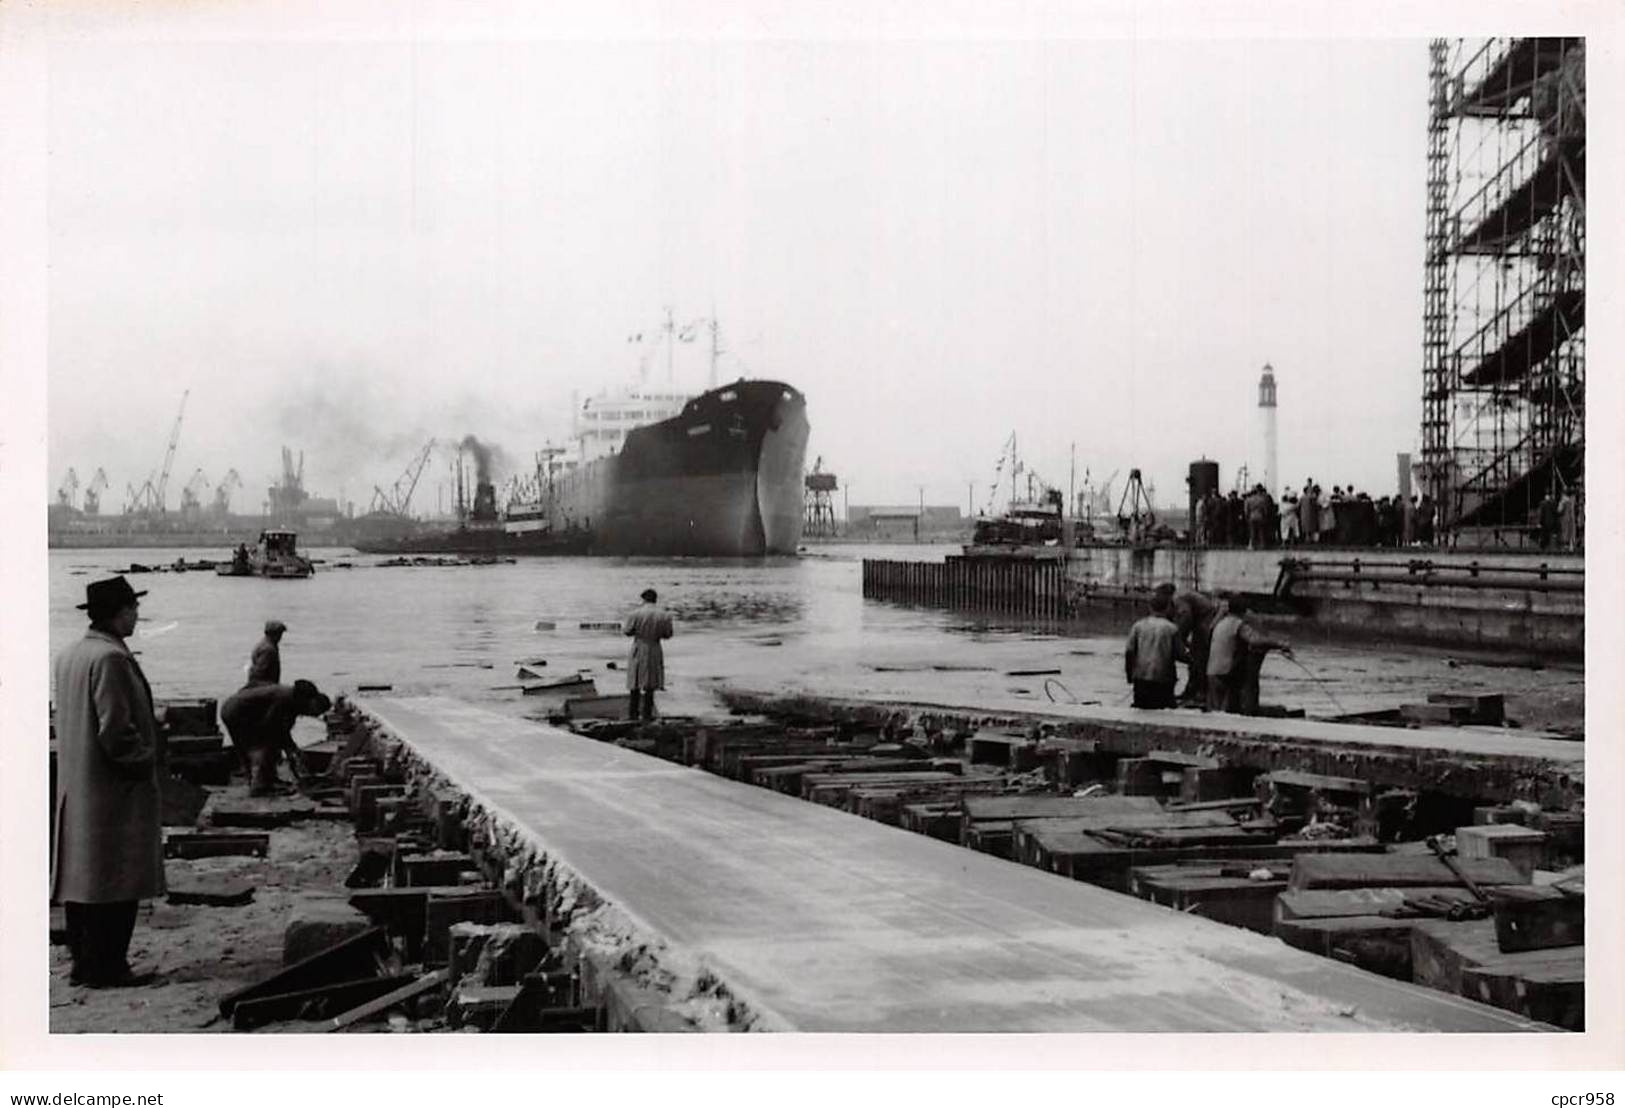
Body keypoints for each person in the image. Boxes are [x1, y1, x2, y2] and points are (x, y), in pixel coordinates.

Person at [51, 575, 165, 988]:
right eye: (133, 608)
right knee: (118, 880)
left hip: (78, 787)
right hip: (112, 790)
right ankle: (109, 967)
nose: (138, 615)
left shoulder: (70, 655)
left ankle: (84, 964)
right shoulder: (111, 660)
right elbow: (115, 731)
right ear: (119, 613)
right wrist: (147, 760)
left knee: (82, 881)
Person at [220, 679, 332, 796]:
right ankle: (259, 787)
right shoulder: (285, 699)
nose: (312, 715)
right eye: (315, 713)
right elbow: (272, 726)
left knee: (250, 747)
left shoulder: (293, 697)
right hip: (237, 711)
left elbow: (283, 729)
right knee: (261, 746)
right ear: (312, 702)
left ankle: (260, 780)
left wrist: (291, 748)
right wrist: (290, 750)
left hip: (232, 707)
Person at [1206, 595, 1292, 715]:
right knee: (1228, 713)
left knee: (1216, 712)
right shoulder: (1237, 624)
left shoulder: (1220, 624)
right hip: (1225, 675)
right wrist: (1280, 644)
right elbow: (1254, 640)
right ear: (1244, 611)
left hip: (1212, 672)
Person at [1157, 582, 1222, 705]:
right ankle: (1193, 689)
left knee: (1199, 658)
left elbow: (1186, 618)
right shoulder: (1179, 596)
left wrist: (1180, 637)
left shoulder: (1178, 599)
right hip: (1200, 622)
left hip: (1205, 621)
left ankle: (1199, 691)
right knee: (1195, 657)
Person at [1125, 592, 1188, 709]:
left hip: (1141, 677)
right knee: (1163, 711)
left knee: (1141, 710)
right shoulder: (1172, 628)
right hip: (1164, 678)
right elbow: (1180, 655)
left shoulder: (1138, 626)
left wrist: (1129, 675)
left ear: (1150, 607)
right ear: (1168, 608)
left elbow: (1129, 652)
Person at [622, 587, 674, 721]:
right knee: (651, 683)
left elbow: (627, 631)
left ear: (643, 599)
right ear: (655, 599)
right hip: (654, 647)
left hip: (639, 646)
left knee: (635, 681)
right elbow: (668, 634)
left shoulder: (635, 614)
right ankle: (647, 714)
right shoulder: (664, 615)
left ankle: (633, 714)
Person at [247, 619, 286, 686]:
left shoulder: (263, 644)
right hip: (265, 687)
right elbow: (258, 673)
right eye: (279, 633)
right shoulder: (268, 650)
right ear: (274, 634)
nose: (280, 637)